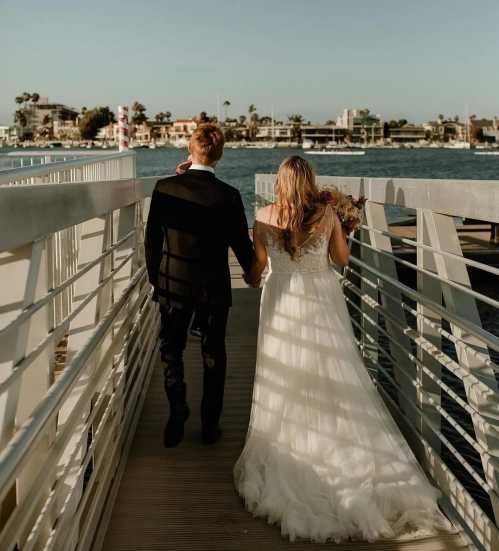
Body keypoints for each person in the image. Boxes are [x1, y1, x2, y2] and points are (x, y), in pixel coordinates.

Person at [234, 156, 451, 543]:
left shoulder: (264, 216)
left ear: (281, 183)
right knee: (333, 370)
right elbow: (341, 259)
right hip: (320, 298)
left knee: (286, 371)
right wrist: (347, 228)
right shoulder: (328, 214)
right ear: (310, 182)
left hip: (282, 299)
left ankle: (292, 447)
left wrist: (252, 275)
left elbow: (260, 266)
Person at [145, 123, 255, 447]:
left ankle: (177, 408)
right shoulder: (229, 196)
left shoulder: (165, 188)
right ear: (219, 155)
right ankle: (209, 426)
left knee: (171, 348)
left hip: (173, 284)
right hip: (214, 287)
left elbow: (152, 240)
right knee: (213, 354)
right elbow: (241, 244)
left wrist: (156, 279)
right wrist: (252, 273)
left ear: (189, 150)